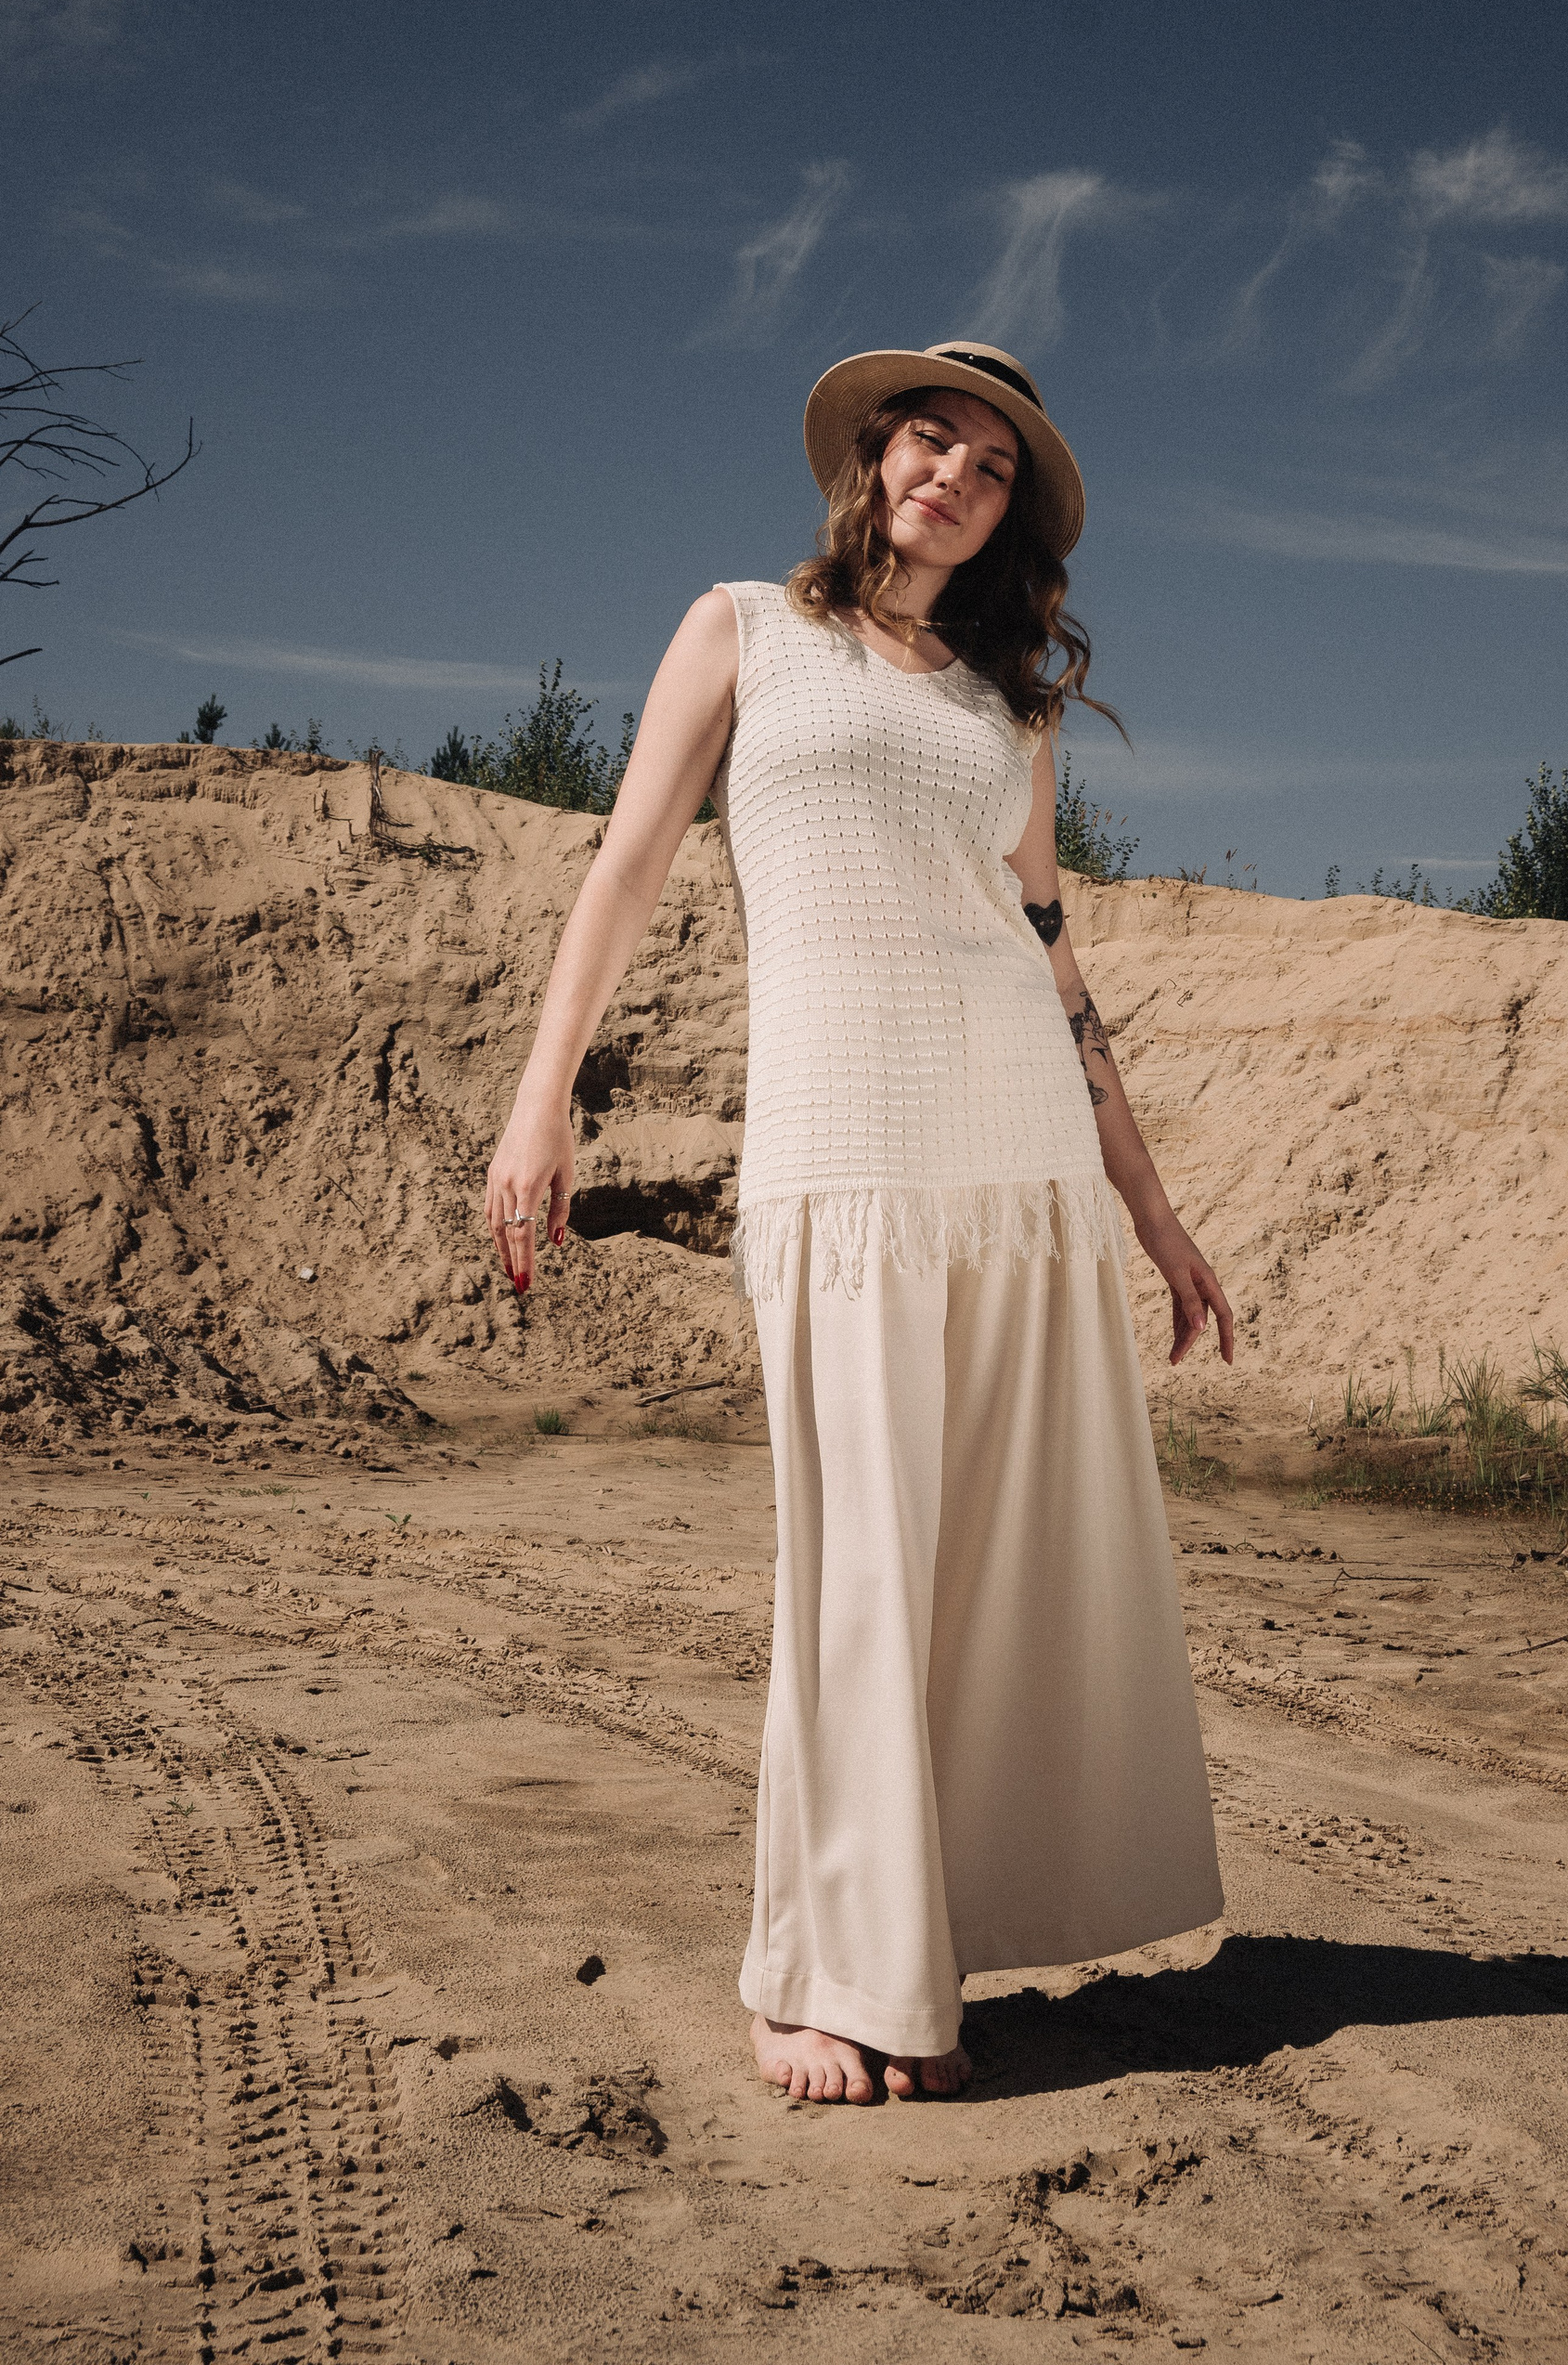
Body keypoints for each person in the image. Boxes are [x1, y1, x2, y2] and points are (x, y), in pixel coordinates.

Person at [485, 341, 1232, 2108]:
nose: (953, 473)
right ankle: (807, 1976)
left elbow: (1051, 956)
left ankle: (912, 1956)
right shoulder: (743, 628)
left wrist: (1150, 1206)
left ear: (1010, 513)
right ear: (875, 458)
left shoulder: (1007, 714)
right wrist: (540, 1100)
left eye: (992, 462)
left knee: (989, 1579)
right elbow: (626, 866)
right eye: (931, 440)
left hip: (1019, 1156)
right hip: (845, 1150)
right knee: (861, 1567)